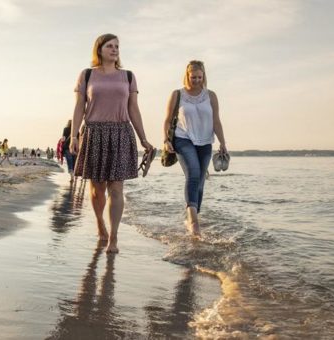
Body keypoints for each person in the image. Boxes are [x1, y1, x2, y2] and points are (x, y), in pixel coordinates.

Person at [70, 33, 154, 253]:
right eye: (109, 46)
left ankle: (113, 238)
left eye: (117, 46)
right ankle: (100, 224)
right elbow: (79, 106)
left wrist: (143, 137)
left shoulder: (127, 76)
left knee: (116, 188)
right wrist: (73, 136)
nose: (115, 49)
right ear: (99, 49)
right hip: (94, 132)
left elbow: (133, 108)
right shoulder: (87, 75)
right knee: (97, 189)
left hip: (120, 132)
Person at [162, 60, 227, 236]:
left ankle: (192, 215)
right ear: (187, 76)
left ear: (203, 76)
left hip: (205, 142)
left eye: (200, 77)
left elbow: (216, 121)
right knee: (193, 175)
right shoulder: (178, 94)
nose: (196, 80)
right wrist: (165, 140)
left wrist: (223, 142)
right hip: (183, 139)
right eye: (193, 77)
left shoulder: (211, 95)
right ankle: (193, 222)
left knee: (200, 181)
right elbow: (168, 120)